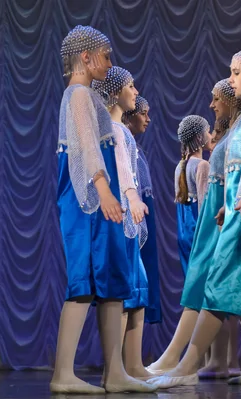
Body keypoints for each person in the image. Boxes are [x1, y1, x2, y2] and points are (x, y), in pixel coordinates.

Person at [148, 48, 241, 391]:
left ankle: (185, 365)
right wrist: (230, 204)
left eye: (235, 72)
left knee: (218, 287)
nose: (231, 80)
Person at [51, 25, 154, 394]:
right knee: (82, 281)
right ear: (86, 57)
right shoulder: (78, 93)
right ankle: (63, 373)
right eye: (106, 57)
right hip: (85, 197)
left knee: (110, 281)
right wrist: (104, 189)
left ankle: (115, 372)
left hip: (100, 196)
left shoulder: (89, 97)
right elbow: (86, 148)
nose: (110, 65)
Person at [93, 68, 155, 382]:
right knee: (123, 288)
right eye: (131, 85)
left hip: (125, 219)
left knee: (135, 288)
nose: (135, 90)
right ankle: (116, 368)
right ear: (116, 92)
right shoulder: (116, 130)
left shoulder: (118, 129)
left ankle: (130, 365)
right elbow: (122, 172)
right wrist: (132, 199)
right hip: (122, 218)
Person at [124, 96, 161, 325]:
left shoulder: (137, 149)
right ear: (129, 115)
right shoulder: (125, 145)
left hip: (144, 217)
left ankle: (133, 359)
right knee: (133, 279)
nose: (148, 119)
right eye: (143, 113)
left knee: (143, 280)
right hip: (132, 218)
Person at [174, 115, 212, 277]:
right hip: (198, 230)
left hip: (184, 232)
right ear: (199, 137)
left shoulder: (179, 166)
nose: (211, 136)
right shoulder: (202, 165)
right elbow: (205, 205)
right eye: (208, 132)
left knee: (191, 280)